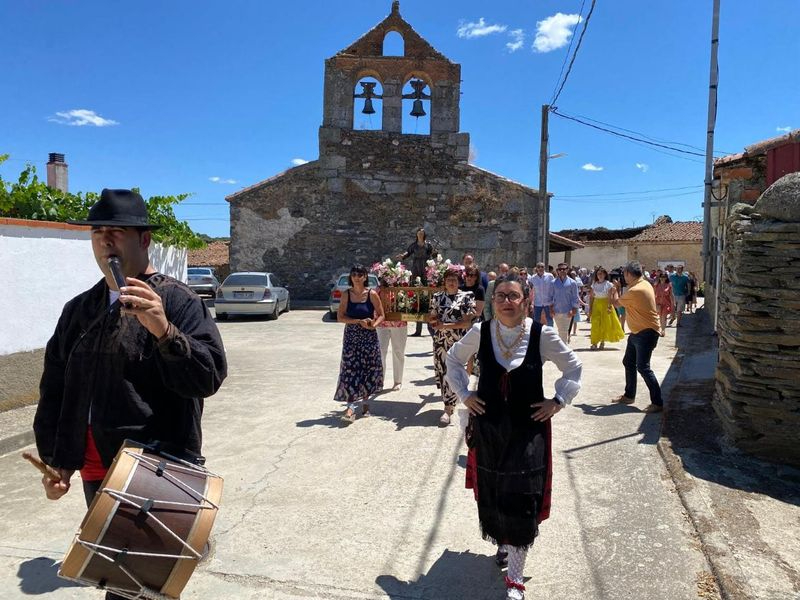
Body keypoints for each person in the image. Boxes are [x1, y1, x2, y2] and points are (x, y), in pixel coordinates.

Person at [33, 189, 228, 600]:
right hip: (95, 467)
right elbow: (55, 387)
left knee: (144, 586)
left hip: (155, 466)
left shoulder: (177, 301)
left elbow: (207, 377)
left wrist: (164, 329)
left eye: (117, 232)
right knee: (119, 578)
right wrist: (57, 460)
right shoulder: (79, 309)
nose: (105, 240)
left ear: (144, 240)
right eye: (97, 232)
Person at [445, 274, 582, 600]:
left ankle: (515, 579)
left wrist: (558, 401)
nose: (507, 301)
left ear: (526, 300)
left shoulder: (542, 335)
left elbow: (573, 368)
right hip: (489, 428)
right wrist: (464, 394)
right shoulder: (481, 332)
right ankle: (504, 542)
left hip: (528, 429)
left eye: (513, 296)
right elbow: (453, 359)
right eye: (501, 296)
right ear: (493, 302)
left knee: (522, 496)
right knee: (494, 490)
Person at [610, 261, 664, 414]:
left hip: (645, 333)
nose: (623, 277)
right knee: (628, 362)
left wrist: (615, 289)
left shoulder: (636, 290)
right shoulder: (644, 284)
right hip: (638, 332)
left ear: (628, 274)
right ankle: (629, 395)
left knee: (643, 367)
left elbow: (615, 303)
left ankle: (657, 402)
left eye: (624, 274)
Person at [335, 264, 385, 423]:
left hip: (368, 336)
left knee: (367, 369)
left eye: (360, 274)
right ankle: (350, 408)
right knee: (350, 370)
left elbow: (381, 315)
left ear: (365, 277)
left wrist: (373, 325)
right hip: (351, 337)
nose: (356, 277)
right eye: (354, 274)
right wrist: (358, 321)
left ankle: (365, 403)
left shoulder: (372, 294)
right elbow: (340, 317)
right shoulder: (346, 295)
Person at [429, 267, 476, 426]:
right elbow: (432, 316)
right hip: (441, 341)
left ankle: (451, 405)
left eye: (454, 280)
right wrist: (434, 321)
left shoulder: (467, 296)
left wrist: (444, 325)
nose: (451, 282)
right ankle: (448, 406)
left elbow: (466, 323)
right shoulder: (437, 297)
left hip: (459, 342)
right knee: (444, 372)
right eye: (448, 279)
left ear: (459, 282)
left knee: (456, 372)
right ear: (444, 281)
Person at [397, 228, 435, 336]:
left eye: (422, 233)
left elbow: (433, 255)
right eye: (419, 233)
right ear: (417, 234)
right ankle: (418, 329)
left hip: (425, 268)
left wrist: (435, 253)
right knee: (416, 295)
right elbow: (408, 252)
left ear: (424, 234)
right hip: (416, 267)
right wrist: (402, 256)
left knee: (426, 296)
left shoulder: (428, 245)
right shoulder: (414, 245)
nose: (420, 234)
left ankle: (430, 326)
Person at [376, 286, 408, 391]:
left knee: (398, 352)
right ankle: (379, 382)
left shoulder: (402, 288)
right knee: (380, 352)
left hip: (399, 324)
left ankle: (398, 381)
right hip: (381, 324)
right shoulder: (378, 289)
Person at [589, 267, 625, 349]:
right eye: (598, 274)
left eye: (601, 274)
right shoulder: (594, 284)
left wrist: (609, 306)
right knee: (595, 323)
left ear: (605, 274)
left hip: (605, 305)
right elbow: (591, 297)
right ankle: (594, 342)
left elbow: (610, 296)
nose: (600, 275)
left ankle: (602, 341)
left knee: (604, 324)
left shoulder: (608, 284)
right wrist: (590, 308)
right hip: (596, 305)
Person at [552, 263, 580, 344]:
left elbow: (575, 297)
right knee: (560, 330)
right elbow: (551, 296)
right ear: (557, 271)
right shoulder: (553, 282)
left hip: (568, 311)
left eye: (564, 269)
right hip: (556, 310)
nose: (562, 271)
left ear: (567, 270)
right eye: (560, 269)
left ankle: (563, 348)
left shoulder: (572, 283)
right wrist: (551, 308)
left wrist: (574, 309)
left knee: (564, 331)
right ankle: (563, 346)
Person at [529, 262, 554, 327]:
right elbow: (532, 291)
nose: (540, 268)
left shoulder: (550, 276)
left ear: (544, 268)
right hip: (537, 303)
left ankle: (550, 331)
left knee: (549, 319)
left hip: (548, 302)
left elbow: (553, 288)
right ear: (536, 268)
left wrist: (553, 301)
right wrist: (532, 303)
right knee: (536, 320)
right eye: (539, 267)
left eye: (542, 267)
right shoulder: (533, 278)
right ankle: (537, 332)